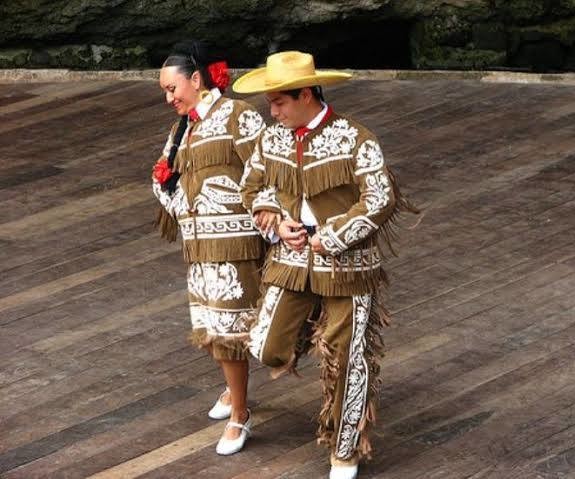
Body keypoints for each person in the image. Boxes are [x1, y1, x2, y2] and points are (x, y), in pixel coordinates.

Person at [234, 51, 417, 479]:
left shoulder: (356, 138)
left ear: (305, 95)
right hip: (289, 257)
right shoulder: (270, 138)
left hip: (348, 267)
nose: (272, 111)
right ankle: (310, 325)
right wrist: (277, 222)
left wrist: (331, 236)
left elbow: (380, 199)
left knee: (347, 359)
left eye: (278, 102)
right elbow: (251, 188)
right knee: (265, 345)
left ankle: (344, 450)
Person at [152, 40, 265, 456]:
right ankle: (235, 394)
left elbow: (266, 172)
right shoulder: (182, 128)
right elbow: (165, 178)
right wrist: (182, 202)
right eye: (164, 91)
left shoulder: (239, 115)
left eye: (172, 88)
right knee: (216, 330)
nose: (169, 98)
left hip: (237, 248)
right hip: (200, 250)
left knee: (232, 332)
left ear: (196, 79)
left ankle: (241, 415)